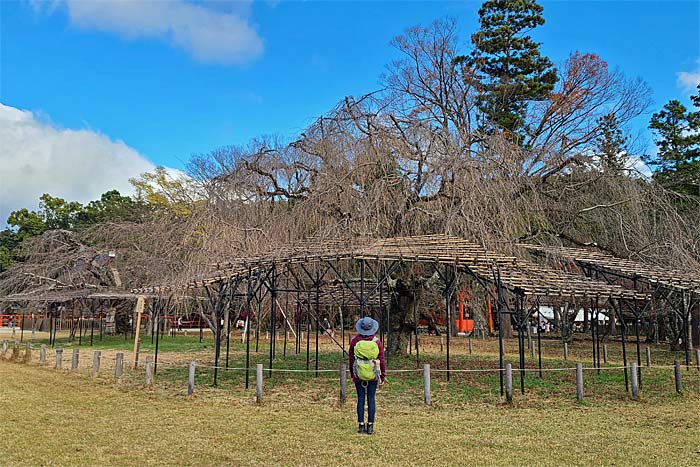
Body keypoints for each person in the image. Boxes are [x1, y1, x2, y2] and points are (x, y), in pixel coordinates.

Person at [349, 316, 385, 435]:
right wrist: (382, 376)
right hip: (373, 374)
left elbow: (351, 359)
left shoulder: (355, 341)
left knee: (360, 399)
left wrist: (352, 373)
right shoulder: (377, 342)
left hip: (358, 374)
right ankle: (370, 425)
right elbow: (382, 359)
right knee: (371, 399)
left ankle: (360, 425)